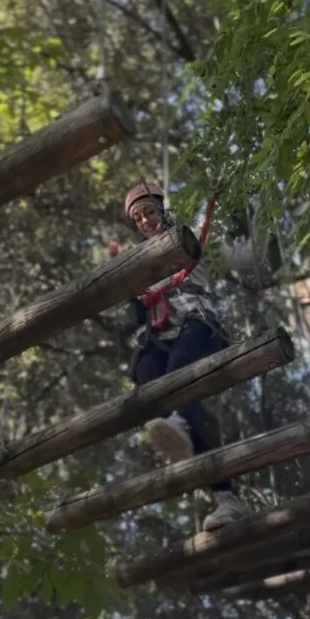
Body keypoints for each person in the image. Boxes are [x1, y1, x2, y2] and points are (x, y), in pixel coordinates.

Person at [110, 180, 249, 530]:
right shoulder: (136, 263)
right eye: (137, 217)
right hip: (157, 336)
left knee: (179, 390)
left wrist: (243, 209)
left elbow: (243, 254)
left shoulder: (190, 239)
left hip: (196, 324)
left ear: (163, 210)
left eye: (150, 212)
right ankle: (225, 497)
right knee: (152, 385)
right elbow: (130, 313)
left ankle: (214, 481)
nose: (144, 221)